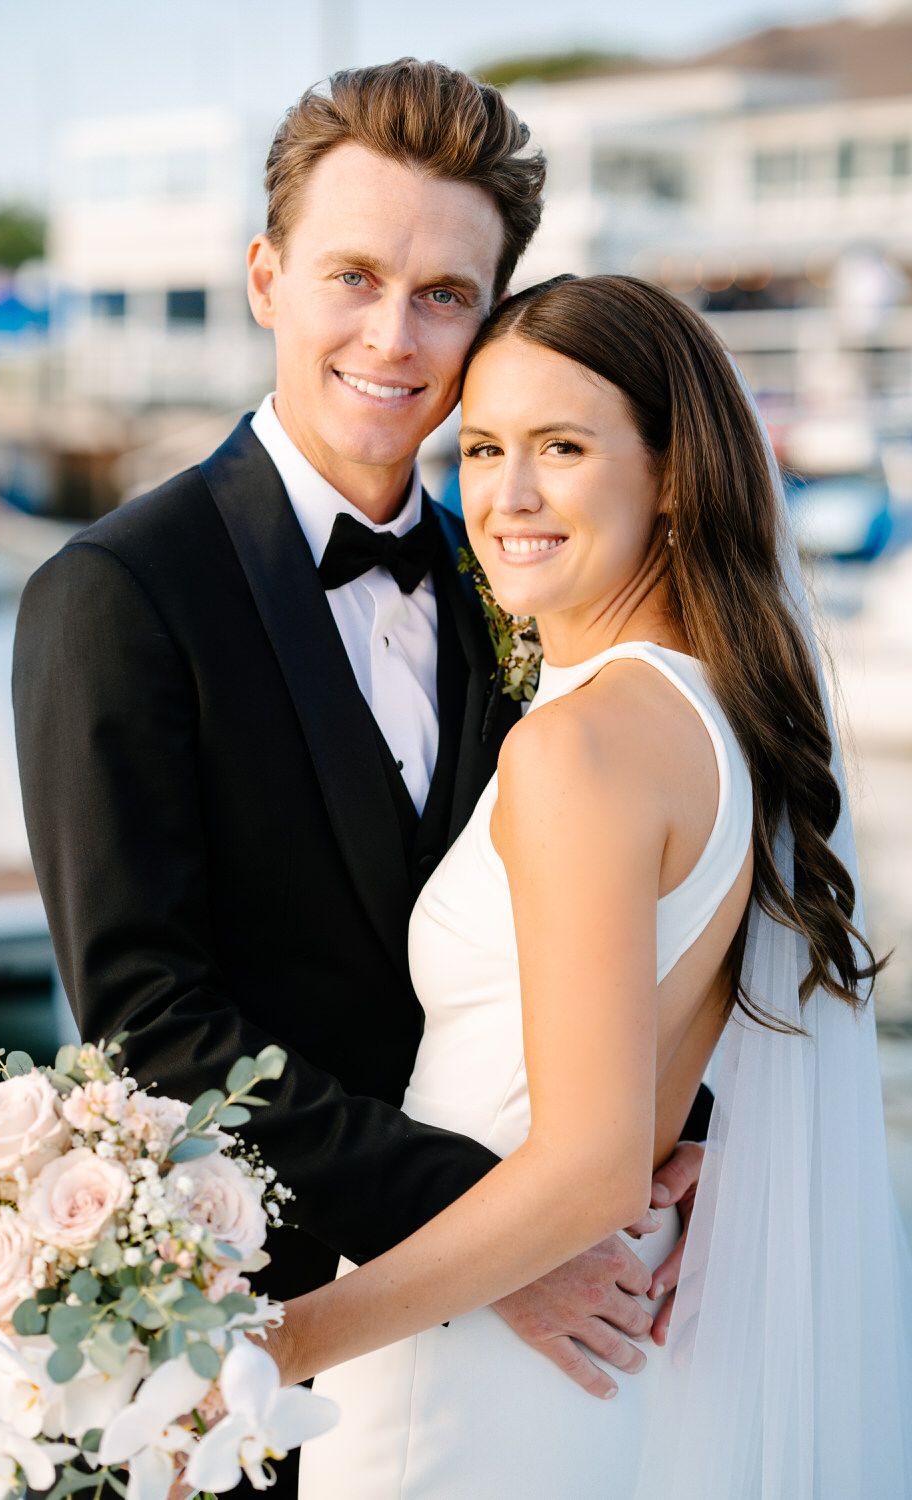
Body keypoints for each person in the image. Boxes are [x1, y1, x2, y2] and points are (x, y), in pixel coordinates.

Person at [11, 63, 710, 1497]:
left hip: (559, 1342)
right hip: (278, 1352)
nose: (394, 336)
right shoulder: (117, 593)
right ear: (267, 277)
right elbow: (152, 1020)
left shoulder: (507, 575)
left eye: (446, 294)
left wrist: (673, 1130)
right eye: (353, 276)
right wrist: (505, 1236)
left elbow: (631, 879)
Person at [247, 273, 911, 1498]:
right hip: (571, 1357)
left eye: (560, 446)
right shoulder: (719, 719)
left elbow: (588, 1164)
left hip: (456, 1365)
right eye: (483, 446)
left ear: (670, 474)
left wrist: (268, 1351)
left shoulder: (579, 746)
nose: (502, 496)